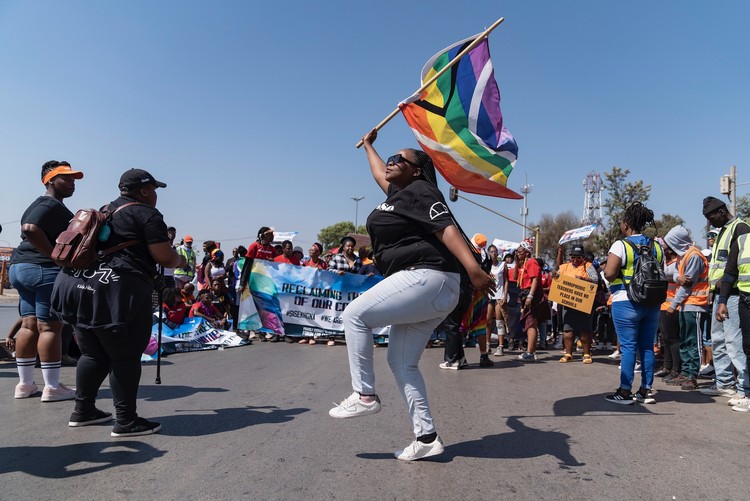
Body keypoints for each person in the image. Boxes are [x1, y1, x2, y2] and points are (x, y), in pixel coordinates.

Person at [329, 130, 494, 462]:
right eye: (390, 159)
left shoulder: (421, 190)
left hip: (427, 277)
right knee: (402, 362)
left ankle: (364, 395)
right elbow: (379, 173)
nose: (390, 163)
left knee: (354, 316)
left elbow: (445, 227)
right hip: (431, 288)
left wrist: (474, 269)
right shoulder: (399, 195)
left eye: (398, 160)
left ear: (416, 169)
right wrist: (369, 146)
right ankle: (426, 437)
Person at [51, 168, 185, 436]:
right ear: (145, 191)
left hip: (78, 285)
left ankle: (84, 410)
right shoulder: (147, 213)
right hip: (116, 292)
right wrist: (180, 261)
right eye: (154, 190)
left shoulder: (106, 209)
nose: (156, 195)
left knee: (92, 353)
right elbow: (165, 257)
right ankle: (126, 421)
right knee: (125, 356)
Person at [10, 160, 83, 402]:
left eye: (74, 179)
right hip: (42, 270)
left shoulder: (45, 204)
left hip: (20, 267)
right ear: (50, 180)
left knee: (29, 326)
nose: (72, 183)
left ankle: (25, 385)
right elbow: (30, 228)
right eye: (67, 178)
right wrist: (55, 256)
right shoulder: (49, 203)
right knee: (50, 327)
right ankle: (52, 387)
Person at [602, 202, 663, 404]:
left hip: (625, 300)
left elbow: (610, 274)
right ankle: (646, 391)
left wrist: (607, 274)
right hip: (652, 303)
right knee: (647, 347)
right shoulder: (657, 246)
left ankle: (624, 391)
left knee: (628, 347)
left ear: (627, 223)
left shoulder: (621, 245)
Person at [701, 196, 750, 406]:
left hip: (735, 294)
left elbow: (737, 265)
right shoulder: (722, 231)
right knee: (718, 339)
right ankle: (724, 383)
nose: (710, 223)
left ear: (722, 211)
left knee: (733, 341)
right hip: (721, 295)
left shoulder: (741, 228)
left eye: (711, 217)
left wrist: (726, 286)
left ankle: (743, 387)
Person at [663, 225, 709, 391]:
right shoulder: (683, 256)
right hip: (685, 305)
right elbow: (670, 273)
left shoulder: (694, 256)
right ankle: (685, 371)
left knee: (693, 341)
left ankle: (692, 375)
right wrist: (677, 277)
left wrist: (673, 304)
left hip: (695, 304)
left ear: (677, 241)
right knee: (685, 340)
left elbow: (687, 285)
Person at [552, 244, 599, 364]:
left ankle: (586, 354)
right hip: (568, 304)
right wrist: (555, 275)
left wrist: (583, 280)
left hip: (583, 304)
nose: (575, 260)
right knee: (568, 330)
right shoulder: (564, 267)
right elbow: (557, 276)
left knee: (585, 330)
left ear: (583, 257)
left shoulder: (588, 266)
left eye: (578, 257)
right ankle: (568, 354)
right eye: (573, 257)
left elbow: (595, 280)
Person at [326, 236, 362, 345]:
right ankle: (331, 336)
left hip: (352, 292)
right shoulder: (336, 258)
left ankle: (347, 335)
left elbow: (361, 274)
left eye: (352, 246)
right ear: (343, 247)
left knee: (350, 313)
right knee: (335, 312)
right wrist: (338, 272)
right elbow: (328, 270)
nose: (350, 248)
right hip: (338, 290)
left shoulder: (358, 260)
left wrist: (368, 276)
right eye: (348, 246)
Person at [515, 239, 544, 362]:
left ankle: (530, 352)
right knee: (529, 322)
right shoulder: (523, 264)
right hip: (524, 293)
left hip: (531, 294)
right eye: (517, 251)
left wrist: (530, 296)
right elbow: (516, 277)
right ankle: (531, 350)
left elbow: (535, 280)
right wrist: (517, 262)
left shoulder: (531, 262)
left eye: (520, 251)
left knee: (531, 323)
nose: (517, 253)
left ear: (527, 252)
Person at [655, 243, 681, 379]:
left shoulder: (676, 264)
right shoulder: (668, 263)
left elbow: (663, 274)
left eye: (664, 250)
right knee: (665, 338)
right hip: (663, 305)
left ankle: (676, 369)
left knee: (673, 339)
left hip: (673, 306)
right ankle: (667, 366)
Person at [486, 245, 509, 357]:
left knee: (499, 321)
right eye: (491, 251)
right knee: (488, 320)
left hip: (499, 296)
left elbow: (506, 281)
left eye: (495, 251)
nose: (493, 253)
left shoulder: (503, 265)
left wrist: (505, 295)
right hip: (489, 295)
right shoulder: (487, 265)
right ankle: (487, 344)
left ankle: (500, 346)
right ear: (489, 253)